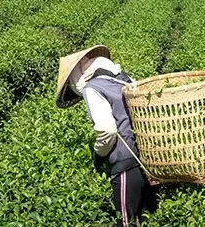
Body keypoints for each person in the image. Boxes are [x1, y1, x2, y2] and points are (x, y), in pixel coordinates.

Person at [56, 46, 158, 226]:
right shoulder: (124, 79)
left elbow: (107, 130)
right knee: (149, 217)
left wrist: (99, 154)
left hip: (125, 163)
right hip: (146, 158)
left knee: (126, 222)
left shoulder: (92, 88)